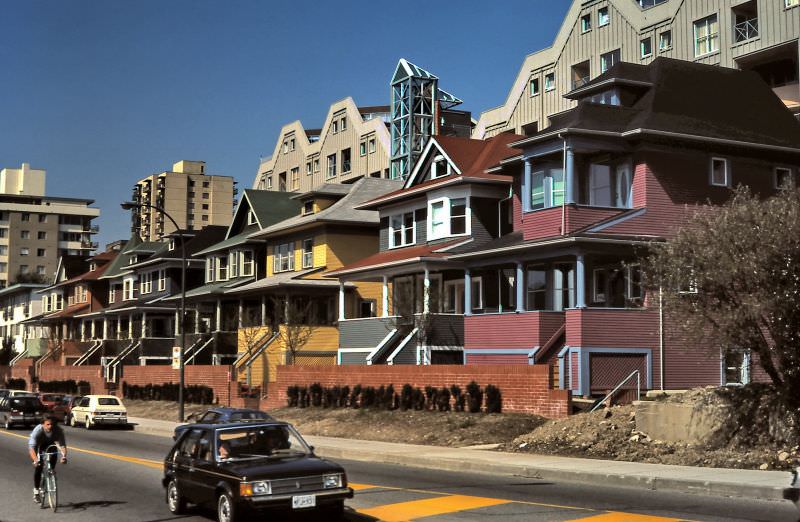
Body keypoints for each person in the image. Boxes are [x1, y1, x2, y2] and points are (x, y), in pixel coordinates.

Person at [29, 414, 67, 503]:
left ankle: (51, 472)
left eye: (52, 424)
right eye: (48, 424)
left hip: (50, 444)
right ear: (43, 424)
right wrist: (35, 460)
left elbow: (62, 445)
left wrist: (64, 457)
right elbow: (31, 448)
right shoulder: (38, 430)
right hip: (39, 445)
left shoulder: (58, 430)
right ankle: (36, 491)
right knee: (38, 467)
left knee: (54, 453)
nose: (50, 426)